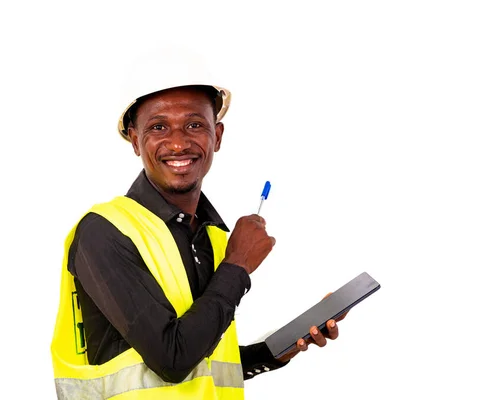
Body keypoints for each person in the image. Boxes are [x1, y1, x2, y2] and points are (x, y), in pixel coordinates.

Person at [51, 71, 345, 399]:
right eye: (158, 127)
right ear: (135, 140)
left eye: (194, 125)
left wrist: (273, 351)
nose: (178, 142)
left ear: (217, 135)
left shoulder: (213, 239)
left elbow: (203, 364)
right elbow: (172, 359)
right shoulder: (104, 232)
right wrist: (236, 267)